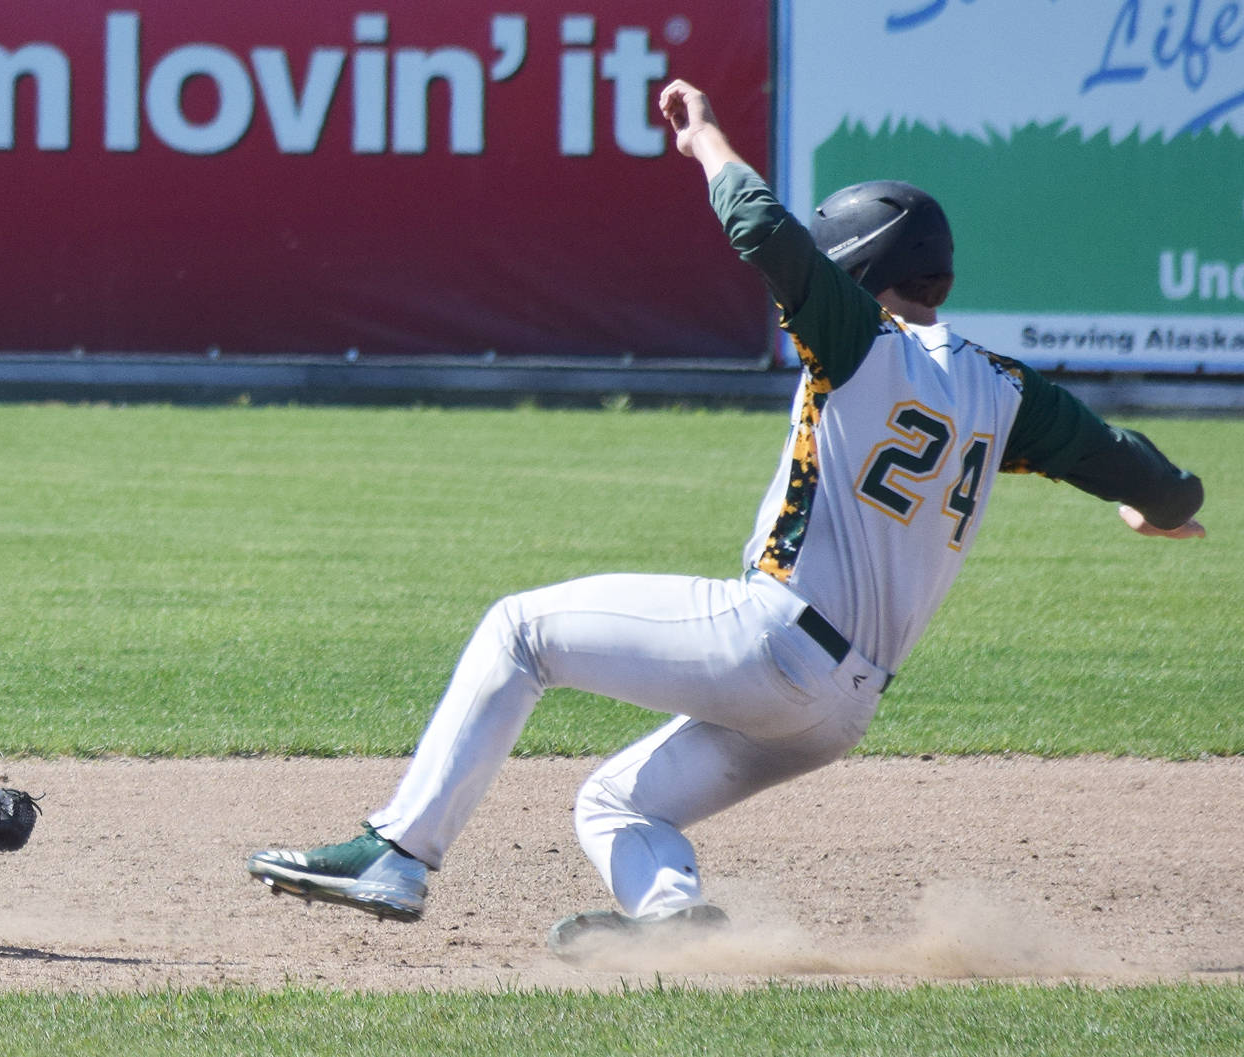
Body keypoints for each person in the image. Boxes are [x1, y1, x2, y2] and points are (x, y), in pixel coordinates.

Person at [245, 79, 1206, 963]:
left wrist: (703, 135)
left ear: (860, 266)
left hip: (776, 642)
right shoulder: (1005, 393)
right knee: (616, 802)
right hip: (845, 706)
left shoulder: (860, 336)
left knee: (519, 629)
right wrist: (1154, 506)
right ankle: (672, 923)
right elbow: (1137, 465)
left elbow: (760, 225)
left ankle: (397, 851)